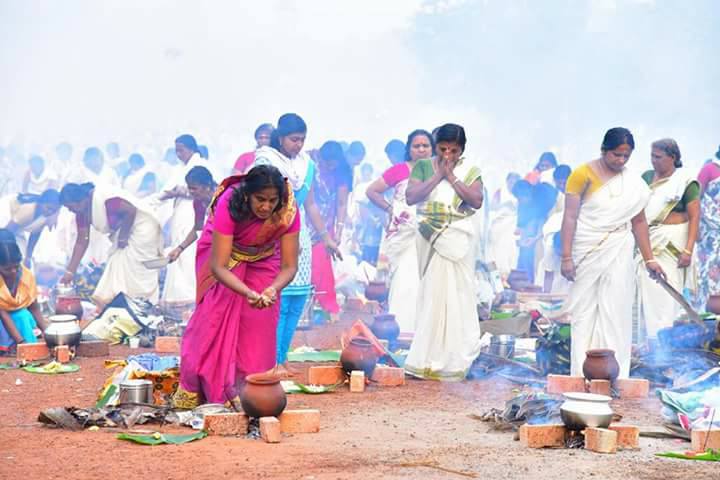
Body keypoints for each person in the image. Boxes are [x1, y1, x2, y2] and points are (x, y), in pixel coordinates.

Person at [174, 165, 300, 408]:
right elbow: (218, 266)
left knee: (259, 323)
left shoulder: (288, 209)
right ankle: (211, 391)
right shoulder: (230, 201)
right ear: (247, 195)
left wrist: (272, 289)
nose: (266, 207)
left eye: (272, 200)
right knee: (213, 319)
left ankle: (250, 392)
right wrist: (248, 292)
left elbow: (289, 266)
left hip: (264, 256)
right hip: (224, 256)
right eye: (260, 199)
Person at [560, 127, 664, 378]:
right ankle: (580, 373)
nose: (620, 161)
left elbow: (638, 222)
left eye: (626, 156)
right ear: (604, 150)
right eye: (616, 155)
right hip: (586, 248)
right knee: (583, 311)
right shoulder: (581, 174)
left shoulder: (634, 184)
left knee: (616, 308)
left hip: (619, 247)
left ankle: (614, 375)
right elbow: (570, 216)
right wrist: (566, 257)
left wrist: (650, 258)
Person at [254, 113, 340, 373]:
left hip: (299, 231)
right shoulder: (265, 160)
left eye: (302, 140)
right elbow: (260, 203)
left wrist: (326, 237)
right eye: (294, 139)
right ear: (281, 138)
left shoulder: (306, 164)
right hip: (273, 232)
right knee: (277, 300)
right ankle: (270, 361)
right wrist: (280, 233)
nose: (298, 145)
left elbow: (310, 203)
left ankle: (282, 357)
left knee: (297, 298)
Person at [404, 123, 484, 380]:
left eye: (454, 150)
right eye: (443, 149)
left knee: (459, 296)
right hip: (432, 238)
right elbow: (411, 196)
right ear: (435, 145)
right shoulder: (424, 166)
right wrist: (438, 175)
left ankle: (454, 359)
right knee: (432, 296)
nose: (448, 155)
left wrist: (451, 176)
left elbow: (476, 200)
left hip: (458, 240)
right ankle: (426, 358)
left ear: (462, 150)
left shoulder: (470, 170)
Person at [367, 129, 434, 333]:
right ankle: (403, 330)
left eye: (425, 146)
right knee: (405, 281)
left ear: (432, 148)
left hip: (431, 234)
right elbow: (371, 191)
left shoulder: (438, 172)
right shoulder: (400, 170)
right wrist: (390, 209)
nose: (421, 150)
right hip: (404, 236)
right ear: (409, 149)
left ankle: (425, 333)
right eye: (416, 146)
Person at [635, 139, 700, 339]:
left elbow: (695, 216)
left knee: (666, 296)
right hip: (648, 243)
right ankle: (650, 343)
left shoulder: (685, 182)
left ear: (673, 157)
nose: (653, 161)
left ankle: (665, 342)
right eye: (652, 156)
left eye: (658, 157)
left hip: (672, 246)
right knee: (646, 294)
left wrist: (688, 250)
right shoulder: (646, 177)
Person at [59, 182, 164, 306]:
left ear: (82, 200)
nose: (71, 211)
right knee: (118, 265)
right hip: (123, 234)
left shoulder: (105, 200)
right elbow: (82, 241)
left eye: (71, 207)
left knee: (135, 268)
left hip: (142, 228)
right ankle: (123, 304)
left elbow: (130, 211)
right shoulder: (81, 213)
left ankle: (142, 304)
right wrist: (70, 272)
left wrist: (123, 237)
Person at [160, 134, 207, 306]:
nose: (179, 154)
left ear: (192, 148)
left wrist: (180, 191)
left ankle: (191, 294)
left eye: (181, 150)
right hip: (182, 213)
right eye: (176, 151)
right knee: (182, 253)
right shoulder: (180, 169)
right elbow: (197, 229)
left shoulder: (200, 165)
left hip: (192, 213)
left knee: (191, 257)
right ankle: (179, 297)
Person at [310, 141, 352, 321]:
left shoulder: (341, 173)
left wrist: (339, 230)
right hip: (305, 223)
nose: (330, 167)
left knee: (322, 265)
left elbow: (342, 204)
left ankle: (328, 307)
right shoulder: (310, 166)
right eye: (327, 163)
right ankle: (311, 306)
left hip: (326, 227)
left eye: (333, 163)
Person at [0, 233, 48, 354]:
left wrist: (48, 333)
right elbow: (3, 314)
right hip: (2, 319)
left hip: (16, 318)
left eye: (16, 266)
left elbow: (34, 308)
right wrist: (21, 343)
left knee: (23, 315)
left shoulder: (26, 276)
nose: (13, 271)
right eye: (7, 269)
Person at [167, 166, 216, 263]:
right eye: (189, 188)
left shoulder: (225, 197)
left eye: (194, 188)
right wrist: (179, 249)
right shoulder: (198, 202)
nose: (191, 192)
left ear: (207, 186)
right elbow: (198, 227)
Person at [0, 190, 61, 265]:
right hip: (7, 213)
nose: (50, 212)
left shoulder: (46, 214)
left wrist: (28, 257)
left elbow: (35, 235)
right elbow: (6, 232)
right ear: (40, 203)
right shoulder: (27, 211)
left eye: (54, 211)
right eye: (48, 208)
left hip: (17, 222)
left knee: (20, 254)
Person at [696, 146, 720, 312]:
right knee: (709, 273)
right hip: (710, 232)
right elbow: (695, 198)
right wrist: (695, 227)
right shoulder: (709, 169)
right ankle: (709, 315)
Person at [488, 172, 521, 276]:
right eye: (511, 182)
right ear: (507, 181)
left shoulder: (520, 194)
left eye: (515, 183)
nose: (512, 185)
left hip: (512, 225)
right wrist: (504, 205)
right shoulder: (500, 192)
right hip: (500, 224)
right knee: (498, 249)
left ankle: (508, 273)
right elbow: (492, 206)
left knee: (510, 249)